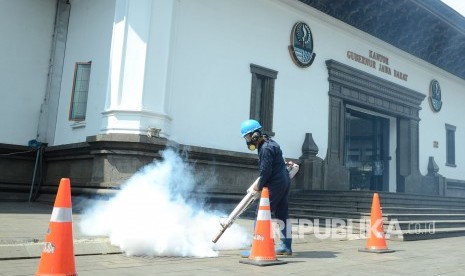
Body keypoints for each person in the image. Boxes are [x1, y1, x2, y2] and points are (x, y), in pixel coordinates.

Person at [240, 119, 292, 256]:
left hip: (275, 182)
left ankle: (258, 247)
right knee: (282, 214)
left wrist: (258, 186)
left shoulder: (265, 148)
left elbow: (266, 172)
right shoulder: (271, 143)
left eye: (248, 136)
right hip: (284, 180)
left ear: (255, 134)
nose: (248, 140)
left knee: (262, 214)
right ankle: (286, 246)